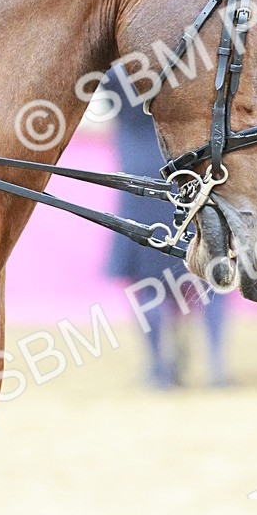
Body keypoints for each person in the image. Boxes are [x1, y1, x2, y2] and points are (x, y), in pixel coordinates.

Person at [105, 88, 231, 387]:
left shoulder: (119, 73)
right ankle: (216, 368)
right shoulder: (187, 62)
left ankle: (159, 368)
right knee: (212, 275)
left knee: (149, 283)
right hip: (187, 171)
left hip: (138, 176)